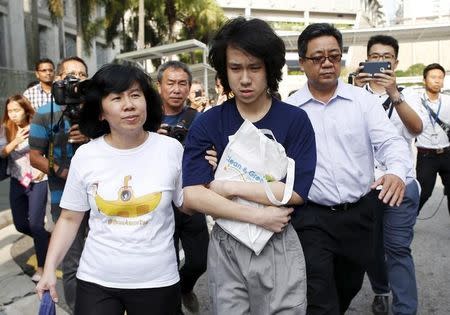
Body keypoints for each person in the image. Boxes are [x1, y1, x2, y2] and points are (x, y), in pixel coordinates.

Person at [35, 63, 193, 315]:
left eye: (135, 95)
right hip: (97, 281)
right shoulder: (86, 156)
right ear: (100, 112)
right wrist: (50, 268)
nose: (128, 105)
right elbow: (69, 218)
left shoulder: (170, 149)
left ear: (146, 101)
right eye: (116, 98)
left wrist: (210, 176)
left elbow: (187, 203)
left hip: (157, 281)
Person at [182, 17, 316, 314]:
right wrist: (258, 216)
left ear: (269, 68)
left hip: (278, 242)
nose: (244, 78)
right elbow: (192, 195)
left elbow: (293, 193)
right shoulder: (208, 122)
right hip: (227, 242)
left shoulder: (294, 120)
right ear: (223, 71)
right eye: (235, 68)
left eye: (254, 68)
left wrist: (224, 186)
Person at [285, 23, 412, 315]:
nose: (327, 63)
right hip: (311, 218)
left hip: (359, 215)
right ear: (302, 62)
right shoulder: (291, 110)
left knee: (347, 287)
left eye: (334, 55)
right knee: (319, 296)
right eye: (318, 57)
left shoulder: (363, 102)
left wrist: (395, 171)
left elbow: (391, 142)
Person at [354, 34, 424, 315]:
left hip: (400, 184)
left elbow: (416, 128)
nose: (381, 62)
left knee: (397, 249)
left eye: (387, 58)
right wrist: (353, 91)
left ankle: (405, 310)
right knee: (370, 249)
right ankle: (382, 290)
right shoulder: (352, 94)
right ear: (366, 60)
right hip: (364, 186)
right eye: (375, 57)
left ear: (396, 62)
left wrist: (395, 93)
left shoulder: (409, 94)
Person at [29, 56, 90, 312]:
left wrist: (90, 136)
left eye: (82, 74)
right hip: (63, 198)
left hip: (101, 196)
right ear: (59, 80)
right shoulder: (45, 113)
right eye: (70, 74)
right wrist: (62, 171)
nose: (76, 79)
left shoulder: (101, 110)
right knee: (73, 262)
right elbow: (34, 156)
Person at [156, 60, 209, 313]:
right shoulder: (145, 119)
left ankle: (185, 287)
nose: (176, 89)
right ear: (159, 87)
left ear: (189, 88)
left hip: (191, 198)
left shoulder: (200, 120)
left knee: (199, 260)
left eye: (182, 84)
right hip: (159, 201)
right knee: (164, 263)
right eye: (170, 83)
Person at [1, 95, 49, 282]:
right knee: (21, 224)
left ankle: (43, 267)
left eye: (17, 110)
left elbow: (49, 147)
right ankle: (47, 239)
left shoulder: (37, 125)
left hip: (39, 179)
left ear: (26, 109)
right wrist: (16, 140)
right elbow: (1, 152)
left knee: (36, 224)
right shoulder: (6, 129)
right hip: (18, 180)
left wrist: (44, 170)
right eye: (10, 111)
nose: (13, 115)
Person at [414, 63, 450, 216]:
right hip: (426, 156)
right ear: (424, 80)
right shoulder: (414, 101)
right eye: (433, 77)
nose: (437, 81)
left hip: (447, 153)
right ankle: (407, 221)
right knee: (424, 193)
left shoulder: (448, 101)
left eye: (441, 77)